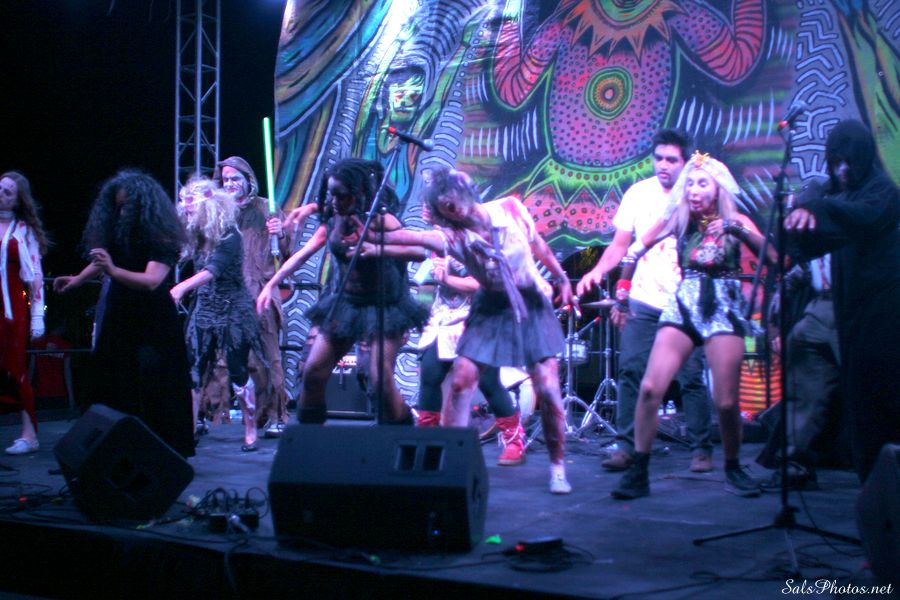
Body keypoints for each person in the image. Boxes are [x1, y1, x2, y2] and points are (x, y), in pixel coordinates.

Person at [372, 167, 575, 494]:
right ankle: (443, 455)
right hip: (474, 310)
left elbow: (535, 247)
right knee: (449, 377)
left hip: (517, 304)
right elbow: (416, 241)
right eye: (443, 205)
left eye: (451, 199)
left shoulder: (508, 210)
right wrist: (373, 238)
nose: (452, 207)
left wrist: (561, 277)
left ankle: (544, 458)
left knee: (533, 386)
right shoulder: (452, 237)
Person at [610, 151, 776, 499]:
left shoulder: (737, 220)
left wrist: (735, 229)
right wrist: (622, 294)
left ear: (718, 189)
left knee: (726, 401)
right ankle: (639, 470)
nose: (694, 191)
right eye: (690, 184)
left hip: (723, 305)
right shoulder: (678, 220)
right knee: (650, 387)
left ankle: (732, 466)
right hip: (685, 301)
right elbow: (633, 251)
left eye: (702, 184)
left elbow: (775, 257)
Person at [577, 129, 714, 473]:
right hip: (644, 298)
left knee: (691, 376)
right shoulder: (638, 194)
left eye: (671, 160)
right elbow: (620, 246)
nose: (663, 165)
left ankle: (701, 448)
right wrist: (598, 271)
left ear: (685, 163)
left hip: (684, 300)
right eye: (658, 158)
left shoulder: (697, 196)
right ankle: (627, 446)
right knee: (631, 370)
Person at [257, 158, 429, 425]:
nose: (334, 201)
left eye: (341, 195)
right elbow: (302, 255)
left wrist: (377, 248)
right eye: (330, 195)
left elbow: (418, 252)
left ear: (358, 193)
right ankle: (310, 437)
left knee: (378, 378)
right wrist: (271, 284)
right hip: (345, 305)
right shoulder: (334, 219)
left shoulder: (381, 220)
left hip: (384, 308)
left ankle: (401, 429)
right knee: (313, 372)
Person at [785, 119, 900, 483]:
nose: (843, 170)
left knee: (881, 397)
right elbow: (816, 231)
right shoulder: (838, 195)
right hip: (846, 311)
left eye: (850, 162)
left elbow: (857, 217)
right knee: (856, 397)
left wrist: (816, 210)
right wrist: (803, 213)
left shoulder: (882, 193)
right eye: (837, 163)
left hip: (882, 312)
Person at [54, 170, 194, 458]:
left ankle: (157, 452)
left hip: (151, 319)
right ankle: (109, 450)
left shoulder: (161, 236)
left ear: (142, 205)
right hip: (120, 312)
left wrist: (113, 270)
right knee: (114, 379)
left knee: (151, 382)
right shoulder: (120, 232)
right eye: (117, 207)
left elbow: (151, 281)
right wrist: (77, 280)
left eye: (126, 207)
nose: (121, 213)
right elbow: (103, 261)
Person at [171, 184, 267, 451]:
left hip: (233, 308)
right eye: (183, 201)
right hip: (205, 306)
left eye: (190, 201)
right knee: (193, 368)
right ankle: (189, 429)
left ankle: (250, 428)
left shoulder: (229, 234)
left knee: (237, 369)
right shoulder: (196, 234)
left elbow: (214, 269)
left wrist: (180, 288)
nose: (186, 206)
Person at [214, 156, 305, 438]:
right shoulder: (220, 211)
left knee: (267, 356)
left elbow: (287, 253)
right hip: (227, 292)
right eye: (225, 179)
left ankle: (275, 414)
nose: (230, 184)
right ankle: (216, 413)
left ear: (248, 180)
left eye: (235, 178)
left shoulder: (267, 208)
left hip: (260, 289)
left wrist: (281, 233)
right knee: (222, 356)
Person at [416, 233, 526, 466]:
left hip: (478, 318)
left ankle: (514, 441)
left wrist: (447, 279)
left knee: (488, 382)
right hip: (443, 319)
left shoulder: (478, 243)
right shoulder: (438, 243)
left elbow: (481, 284)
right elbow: (425, 284)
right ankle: (428, 439)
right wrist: (421, 315)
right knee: (430, 375)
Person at [756, 257, 844, 490]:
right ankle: (795, 467)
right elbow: (803, 267)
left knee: (873, 388)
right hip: (821, 305)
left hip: (858, 302)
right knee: (803, 391)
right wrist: (776, 323)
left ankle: (886, 468)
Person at [1, 172, 48, 455]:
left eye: (8, 192)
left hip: (11, 309)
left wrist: (38, 316)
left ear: (18, 200)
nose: (1, 194)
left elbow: (36, 276)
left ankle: (29, 435)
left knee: (16, 369)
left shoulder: (23, 230)